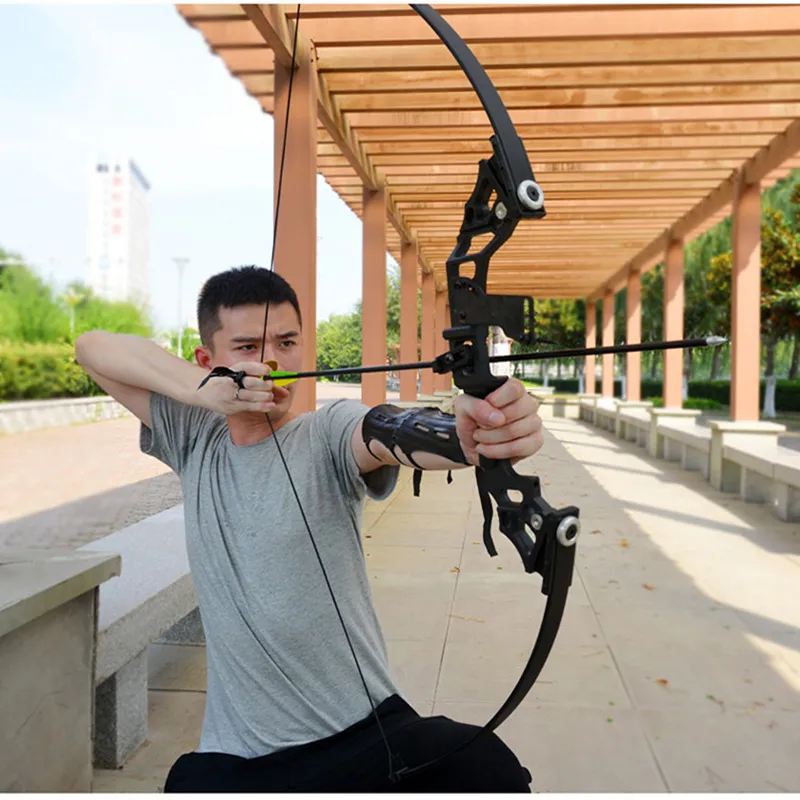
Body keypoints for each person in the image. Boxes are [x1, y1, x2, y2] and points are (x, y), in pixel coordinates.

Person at [75, 265, 546, 793]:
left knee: (483, 768)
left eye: (287, 341)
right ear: (207, 360)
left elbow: (384, 430)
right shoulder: (193, 436)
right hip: (241, 761)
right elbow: (92, 346)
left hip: (368, 735)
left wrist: (467, 434)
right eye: (247, 346)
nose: (271, 361)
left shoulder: (325, 433)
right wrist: (205, 392)